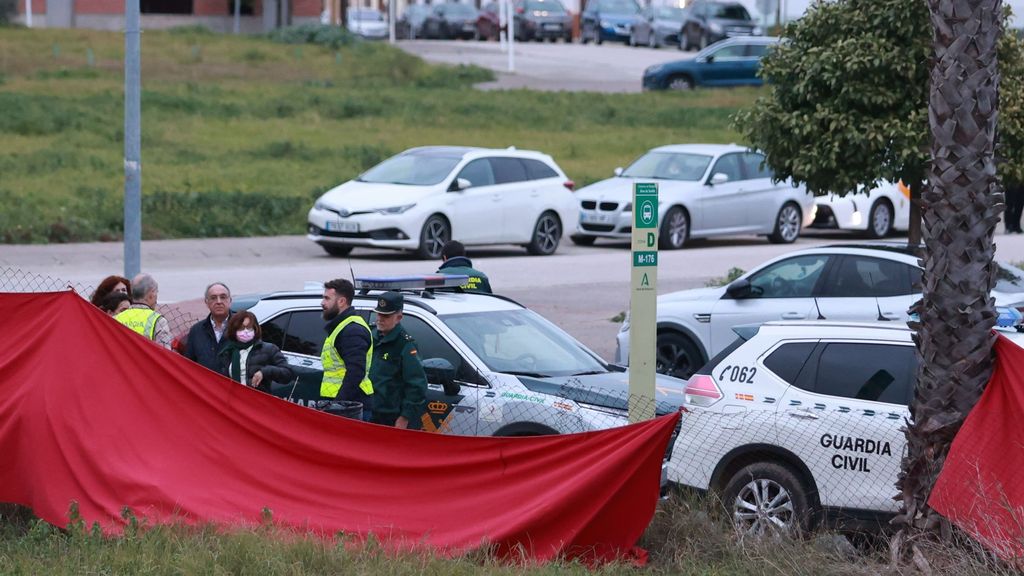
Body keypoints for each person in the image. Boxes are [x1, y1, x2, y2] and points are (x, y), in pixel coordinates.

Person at [369, 292, 427, 429]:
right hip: (367, 412)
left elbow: (416, 384)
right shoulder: (370, 337)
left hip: (390, 417)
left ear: (398, 317)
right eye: (379, 314)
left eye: (386, 316)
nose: (380, 319)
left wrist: (404, 417)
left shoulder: (405, 345)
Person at [320, 278, 374, 420]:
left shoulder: (352, 329)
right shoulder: (342, 326)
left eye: (327, 298)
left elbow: (355, 372)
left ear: (342, 301)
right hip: (343, 406)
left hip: (350, 409)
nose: (322, 303)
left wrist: (338, 405)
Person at [218, 311, 293, 391]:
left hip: (256, 400)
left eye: (249, 328)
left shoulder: (269, 349)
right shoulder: (227, 351)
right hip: (232, 399)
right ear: (234, 330)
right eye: (241, 328)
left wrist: (264, 372)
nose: (245, 331)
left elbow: (287, 374)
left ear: (255, 328)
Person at [183, 282, 233, 372]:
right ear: (207, 302)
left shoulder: (242, 327)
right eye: (213, 298)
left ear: (230, 300)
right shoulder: (196, 331)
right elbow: (188, 366)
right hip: (205, 385)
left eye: (223, 297)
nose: (219, 302)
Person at [115, 273, 172, 349]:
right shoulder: (158, 321)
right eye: (156, 292)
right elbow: (165, 353)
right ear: (151, 294)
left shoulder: (116, 319)